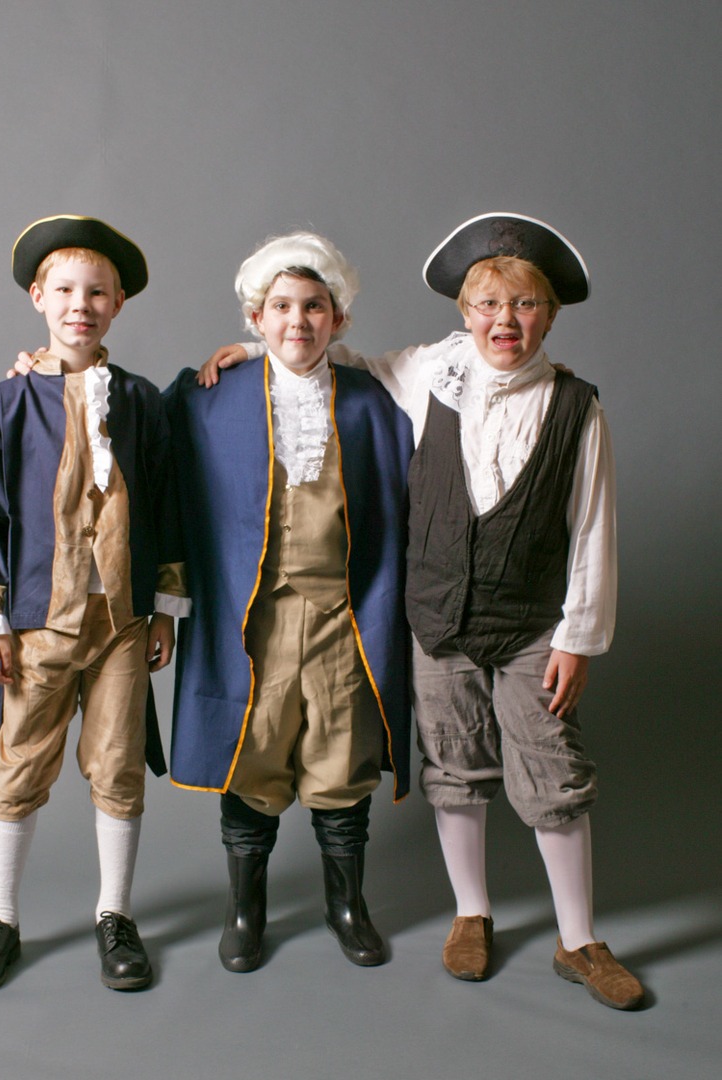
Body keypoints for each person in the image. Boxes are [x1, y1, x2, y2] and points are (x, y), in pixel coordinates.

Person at [200, 213, 644, 1010]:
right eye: (486, 306)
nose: (503, 323)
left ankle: (579, 939)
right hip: (436, 621)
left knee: (550, 775)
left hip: (527, 625)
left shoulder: (577, 407)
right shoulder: (429, 372)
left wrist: (580, 637)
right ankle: (468, 915)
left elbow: (594, 528)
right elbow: (331, 358)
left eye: (524, 307)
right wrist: (251, 351)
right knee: (451, 769)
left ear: (549, 314)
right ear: (463, 312)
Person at [166, 232, 413, 972]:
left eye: (314, 306)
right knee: (254, 756)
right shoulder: (208, 399)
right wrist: (35, 371)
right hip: (254, 620)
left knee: (344, 759)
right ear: (254, 315)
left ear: (338, 319)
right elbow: (139, 440)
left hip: (345, 615)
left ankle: (347, 904)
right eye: (280, 307)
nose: (296, 322)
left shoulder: (376, 402)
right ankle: (248, 910)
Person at [0, 215, 187, 994]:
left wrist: (161, 607)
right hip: (36, 621)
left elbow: (168, 506)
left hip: (119, 623)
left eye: (97, 293)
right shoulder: (9, 402)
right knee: (19, 764)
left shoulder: (145, 404)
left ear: (118, 305)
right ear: (38, 298)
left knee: (118, 764)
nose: (80, 305)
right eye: (65, 291)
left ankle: (114, 914)